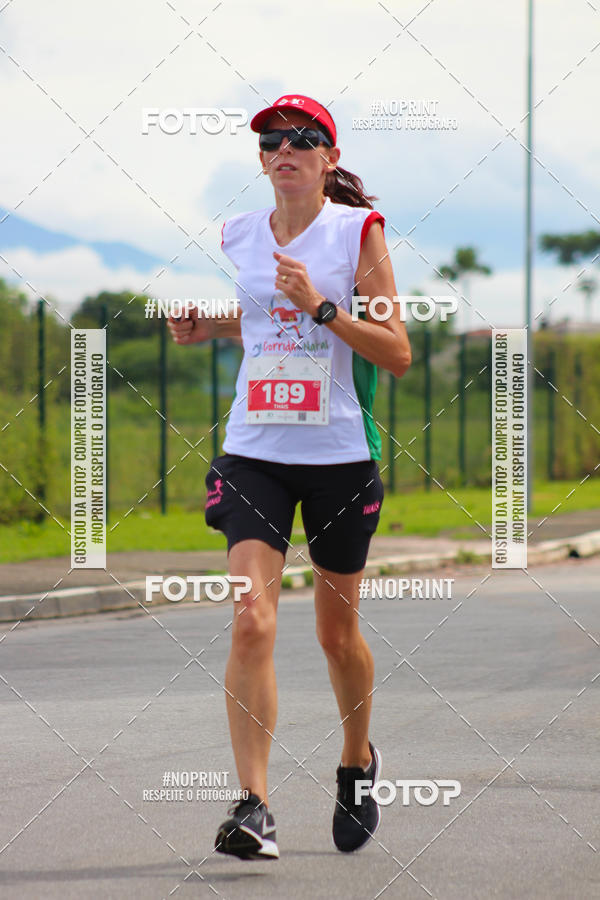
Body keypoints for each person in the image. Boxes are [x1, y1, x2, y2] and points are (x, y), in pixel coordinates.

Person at [168, 94, 411, 859]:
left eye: (305, 139)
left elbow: (397, 349)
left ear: (329, 159)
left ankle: (356, 763)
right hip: (254, 452)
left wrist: (323, 308)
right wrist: (209, 325)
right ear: (263, 158)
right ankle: (253, 806)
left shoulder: (356, 232)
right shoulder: (239, 233)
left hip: (339, 456)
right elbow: (263, 319)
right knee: (251, 619)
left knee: (337, 636)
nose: (286, 150)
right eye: (273, 140)